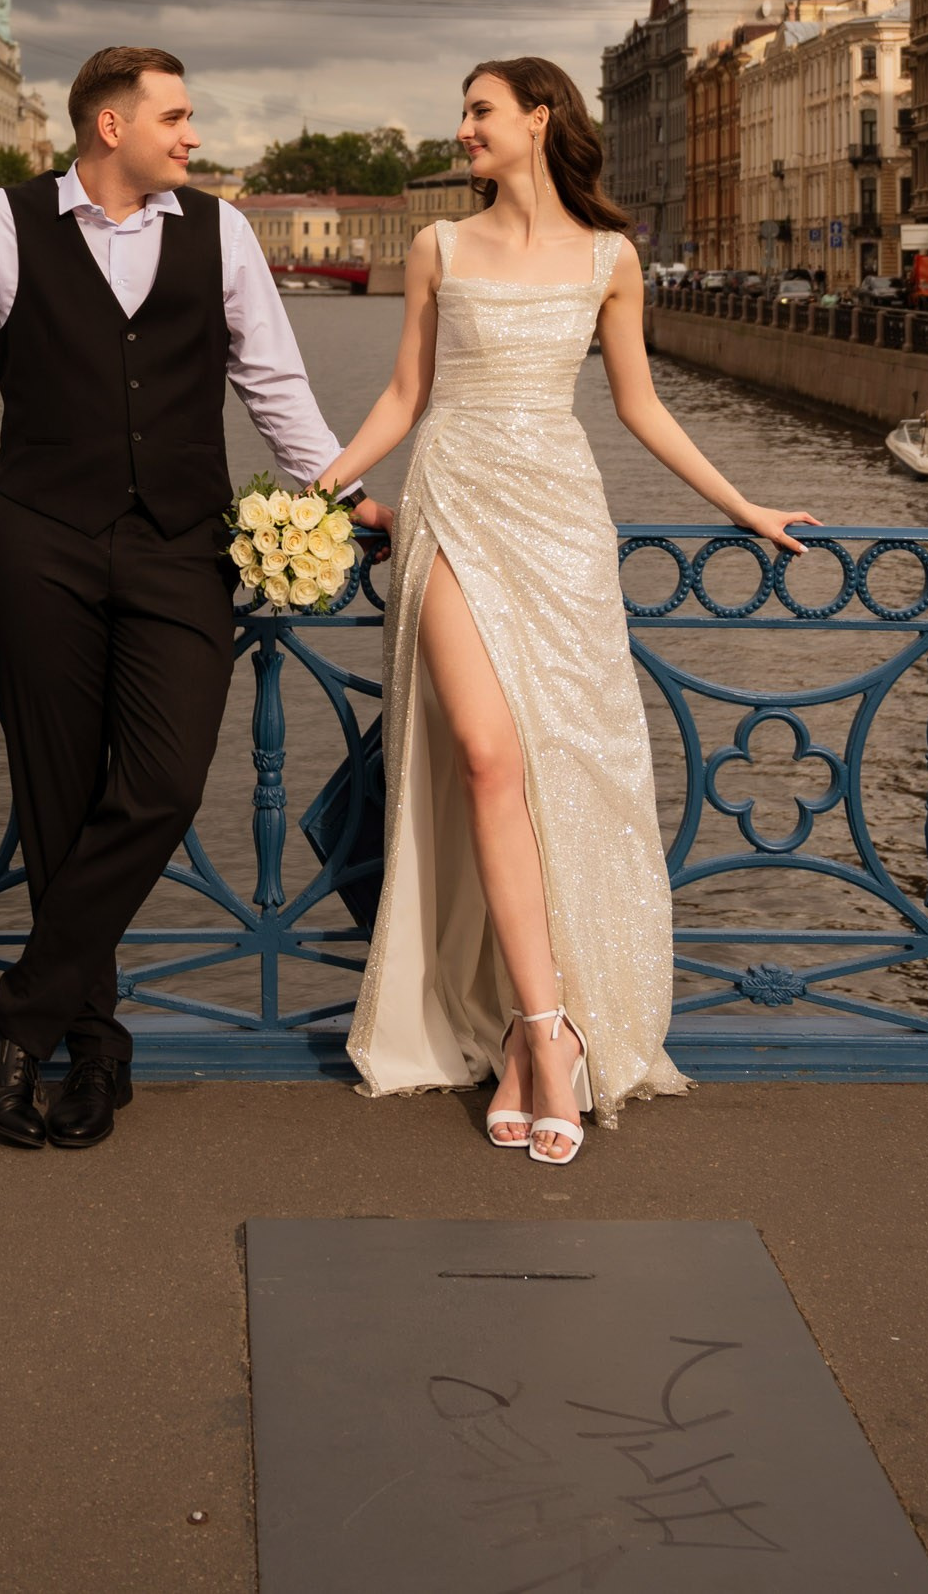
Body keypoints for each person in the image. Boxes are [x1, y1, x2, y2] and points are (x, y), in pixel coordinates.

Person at [0, 47, 387, 1151]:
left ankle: (11, 1024)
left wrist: (348, 494)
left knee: (163, 782)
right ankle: (92, 1045)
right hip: (40, 541)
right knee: (60, 799)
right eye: (174, 117)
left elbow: (273, 384)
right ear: (108, 125)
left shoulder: (221, 232)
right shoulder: (0, 222)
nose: (191, 136)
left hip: (182, 545)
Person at [322, 57, 818, 1164]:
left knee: (560, 768)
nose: (463, 129)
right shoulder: (437, 245)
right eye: (462, 112)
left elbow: (639, 404)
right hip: (451, 506)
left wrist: (742, 505)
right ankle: (548, 1033)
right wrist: (314, 490)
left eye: (480, 111)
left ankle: (526, 1029)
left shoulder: (609, 256)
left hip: (557, 521)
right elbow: (405, 394)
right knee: (485, 757)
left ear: (538, 119)